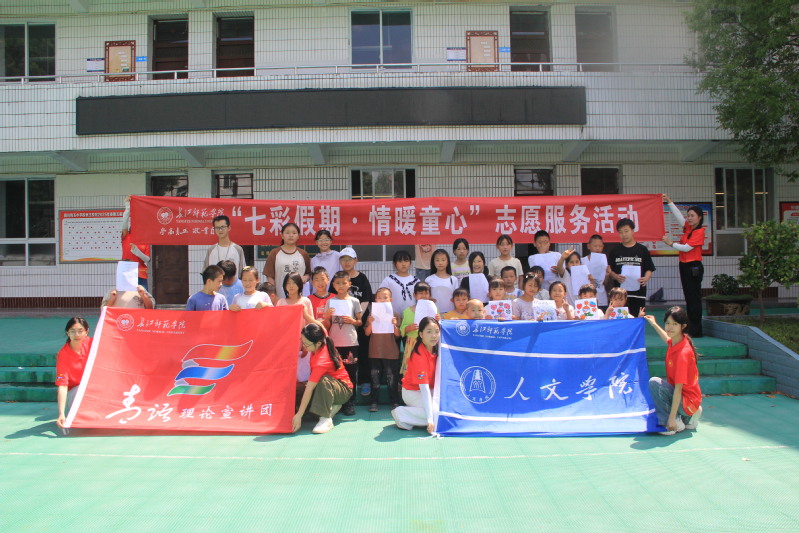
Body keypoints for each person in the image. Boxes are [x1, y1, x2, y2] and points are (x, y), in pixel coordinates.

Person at [644, 307, 703, 435]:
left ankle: (675, 422)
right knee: (662, 386)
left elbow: (678, 389)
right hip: (690, 400)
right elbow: (667, 339)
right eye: (668, 323)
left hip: (686, 399)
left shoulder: (682, 354)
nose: (670, 327)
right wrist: (654, 324)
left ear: (683, 326)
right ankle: (690, 416)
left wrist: (671, 419)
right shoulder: (678, 341)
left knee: (654, 383)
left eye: (675, 324)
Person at [292, 323, 354, 434]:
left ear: (318, 343)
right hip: (326, 387)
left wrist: (299, 415)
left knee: (323, 380)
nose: (304, 345)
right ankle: (331, 407)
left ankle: (326, 419)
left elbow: (309, 389)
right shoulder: (321, 338)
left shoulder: (321, 361)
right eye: (302, 341)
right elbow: (320, 325)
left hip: (342, 389)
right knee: (296, 389)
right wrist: (305, 314)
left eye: (306, 343)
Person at [662, 195, 706, 337]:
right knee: (689, 298)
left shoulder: (699, 232)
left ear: (699, 217)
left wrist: (670, 243)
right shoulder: (689, 229)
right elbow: (679, 218)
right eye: (689, 216)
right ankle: (690, 327)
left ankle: (696, 330)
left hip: (693, 267)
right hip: (684, 266)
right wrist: (669, 202)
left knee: (694, 299)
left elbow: (687, 248)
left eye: (692, 216)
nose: (689, 218)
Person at [322, 271, 363, 416]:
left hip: (350, 341)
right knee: (335, 372)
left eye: (344, 283)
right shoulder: (330, 301)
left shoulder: (354, 301)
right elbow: (327, 325)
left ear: (349, 284)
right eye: (338, 283)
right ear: (333, 285)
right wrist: (326, 316)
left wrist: (353, 321)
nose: (341, 286)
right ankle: (337, 400)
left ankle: (350, 402)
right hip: (334, 343)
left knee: (351, 372)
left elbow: (360, 322)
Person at [391, 317, 440, 434]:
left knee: (444, 410)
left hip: (432, 390)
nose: (434, 335)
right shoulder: (419, 355)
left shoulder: (437, 349)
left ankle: (413, 417)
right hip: (413, 392)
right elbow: (424, 389)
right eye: (429, 332)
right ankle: (401, 414)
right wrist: (429, 419)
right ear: (421, 334)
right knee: (436, 413)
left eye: (437, 331)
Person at [337, 247, 374, 398]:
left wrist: (358, 318)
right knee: (344, 355)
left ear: (355, 261)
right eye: (343, 259)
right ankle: (343, 383)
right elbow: (334, 299)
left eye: (349, 259)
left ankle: (365, 381)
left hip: (359, 323)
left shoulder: (362, 278)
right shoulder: (338, 278)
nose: (346, 262)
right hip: (342, 325)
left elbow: (366, 300)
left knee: (363, 352)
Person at [607, 218, 655, 318]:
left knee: (638, 318)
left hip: (638, 293)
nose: (624, 235)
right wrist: (615, 276)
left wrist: (646, 278)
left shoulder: (642, 249)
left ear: (633, 231)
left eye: (626, 231)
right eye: (620, 232)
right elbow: (609, 270)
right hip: (619, 296)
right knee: (619, 319)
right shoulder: (615, 251)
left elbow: (649, 268)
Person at [364, 287, 401, 412]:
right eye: (379, 297)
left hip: (391, 351)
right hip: (375, 351)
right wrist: (370, 323)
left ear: (390, 299)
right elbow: (367, 333)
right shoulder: (371, 315)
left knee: (392, 378)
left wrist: (394, 325)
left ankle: (394, 401)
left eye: (385, 297)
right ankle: (373, 402)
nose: (382, 300)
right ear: (375, 300)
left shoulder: (395, 315)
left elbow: (398, 335)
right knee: (375, 378)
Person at [55, 317, 93, 429]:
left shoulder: (94, 344)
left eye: (80, 331)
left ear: (87, 331)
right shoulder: (63, 355)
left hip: (96, 388)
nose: (77, 334)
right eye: (72, 331)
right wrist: (61, 414)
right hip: (77, 392)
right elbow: (62, 386)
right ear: (67, 333)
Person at [263, 222, 311, 299]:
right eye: (287, 233)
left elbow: (308, 273)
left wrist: (305, 277)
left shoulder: (303, 254)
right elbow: (270, 276)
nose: (291, 235)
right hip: (280, 298)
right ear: (282, 235)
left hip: (299, 298)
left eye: (294, 233)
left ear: (298, 236)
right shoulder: (274, 253)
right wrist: (274, 295)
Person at [399, 282, 439, 373]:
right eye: (420, 293)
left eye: (426, 293)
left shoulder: (434, 309)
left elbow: (438, 326)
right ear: (415, 295)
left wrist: (438, 320)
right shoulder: (408, 311)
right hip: (413, 342)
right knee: (413, 365)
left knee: (428, 365)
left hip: (429, 343)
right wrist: (408, 328)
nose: (424, 296)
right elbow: (402, 329)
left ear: (429, 295)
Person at [120, 196, 151, 290]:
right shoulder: (126, 236)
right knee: (127, 297)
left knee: (142, 297)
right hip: (127, 271)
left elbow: (147, 259)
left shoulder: (144, 242)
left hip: (140, 273)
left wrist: (136, 251)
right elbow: (124, 222)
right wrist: (128, 206)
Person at [380, 250, 420, 317]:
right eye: (400, 261)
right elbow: (381, 297)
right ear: (394, 263)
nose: (403, 264)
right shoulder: (388, 280)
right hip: (393, 316)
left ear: (410, 263)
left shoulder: (416, 281)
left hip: (412, 317)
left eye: (406, 261)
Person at [303, 229, 340, 296]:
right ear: (316, 242)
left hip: (335, 294)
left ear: (331, 241)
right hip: (317, 295)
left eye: (326, 240)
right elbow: (311, 280)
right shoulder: (313, 260)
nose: (323, 242)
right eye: (320, 240)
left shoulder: (337, 256)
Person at [425, 248, 459, 313]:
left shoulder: (453, 279)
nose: (440, 263)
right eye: (437, 260)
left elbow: (457, 297)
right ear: (433, 262)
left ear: (447, 262)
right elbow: (425, 297)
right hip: (434, 313)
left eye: (443, 260)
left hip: (450, 314)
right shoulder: (429, 279)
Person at [582, 234, 609, 308]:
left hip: (601, 297)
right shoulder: (583, 261)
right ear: (588, 246)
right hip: (586, 297)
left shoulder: (604, 260)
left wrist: (607, 274)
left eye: (600, 246)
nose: (597, 248)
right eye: (595, 246)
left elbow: (605, 282)